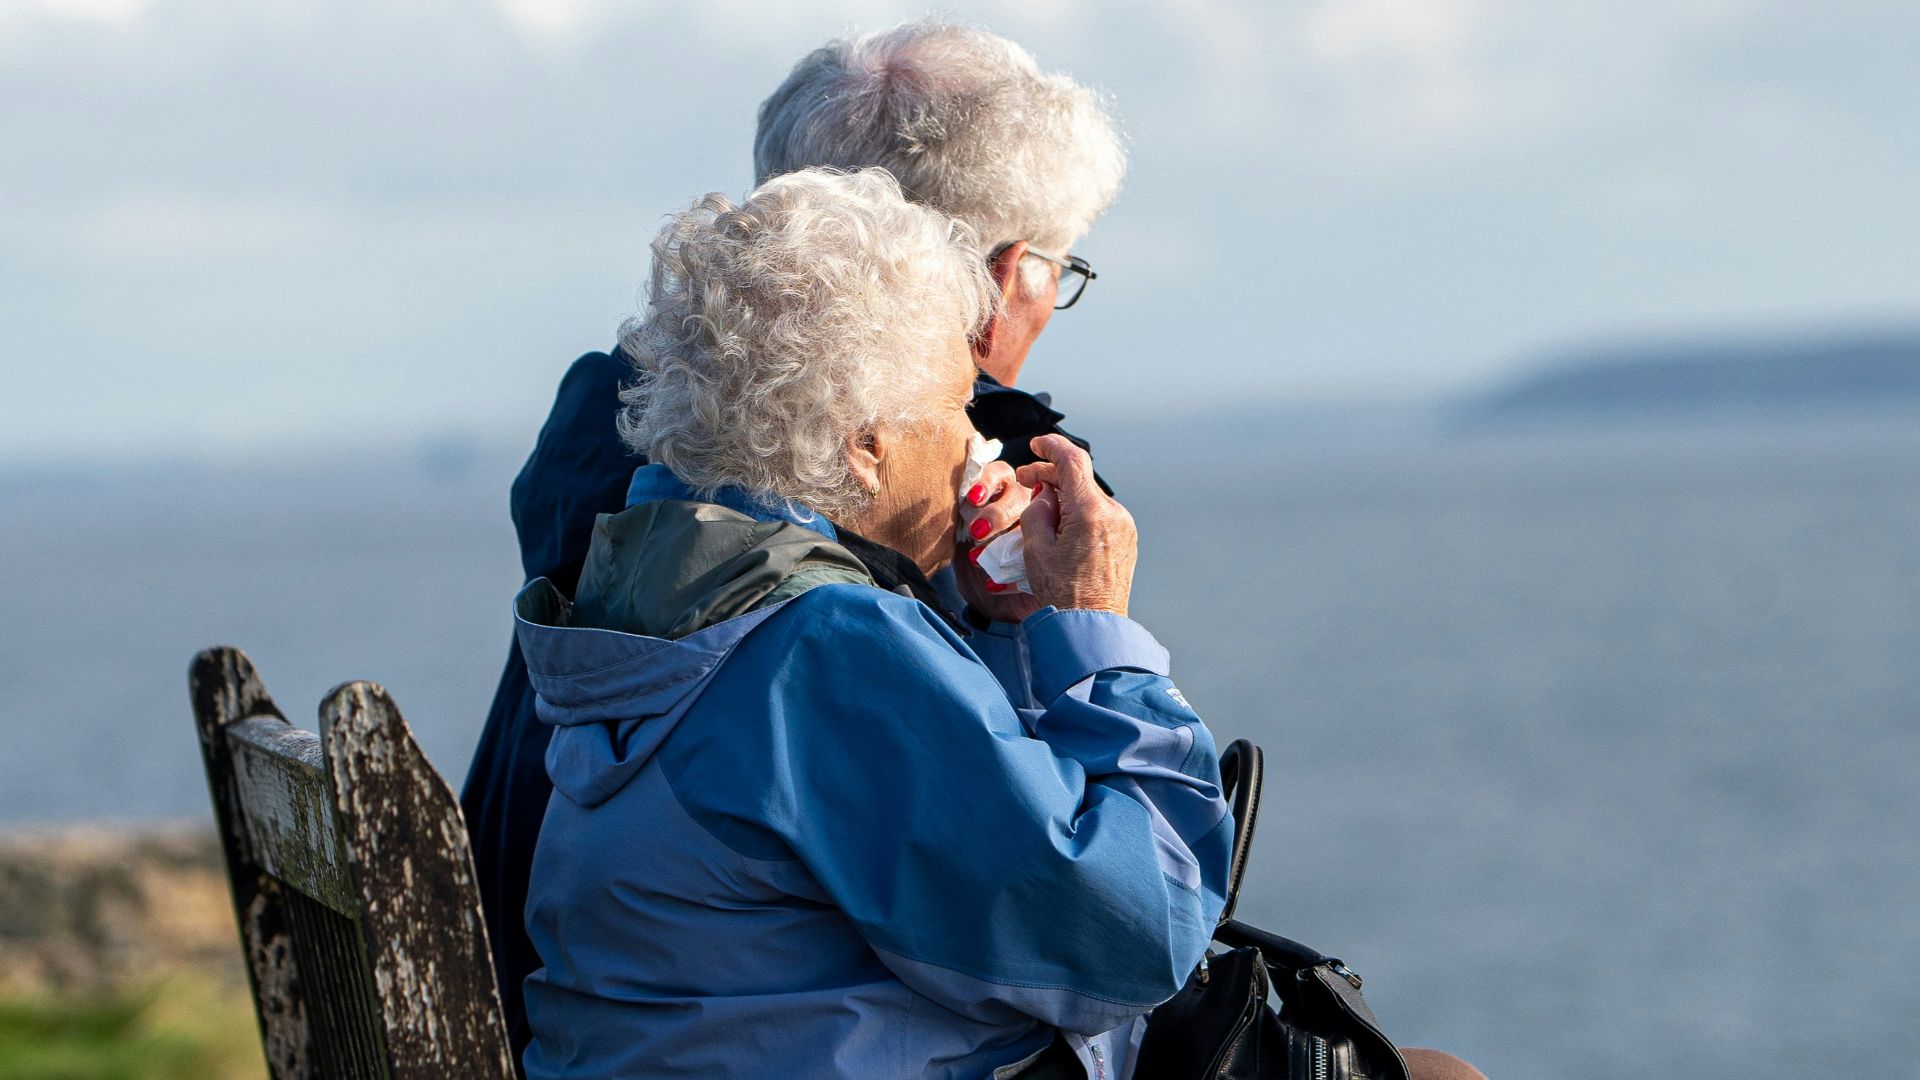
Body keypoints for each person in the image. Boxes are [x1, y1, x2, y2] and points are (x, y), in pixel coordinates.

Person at [461, 19, 1130, 1060]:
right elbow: (1085, 919)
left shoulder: (631, 446)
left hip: (544, 991)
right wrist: (1078, 627)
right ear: (998, 274)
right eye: (1057, 264)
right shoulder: (947, 494)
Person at [515, 168, 1229, 1080]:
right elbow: (1128, 939)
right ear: (864, 446)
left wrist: (1002, 622)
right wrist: (1090, 626)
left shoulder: (659, 586)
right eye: (953, 405)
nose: (978, 441)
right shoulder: (822, 648)